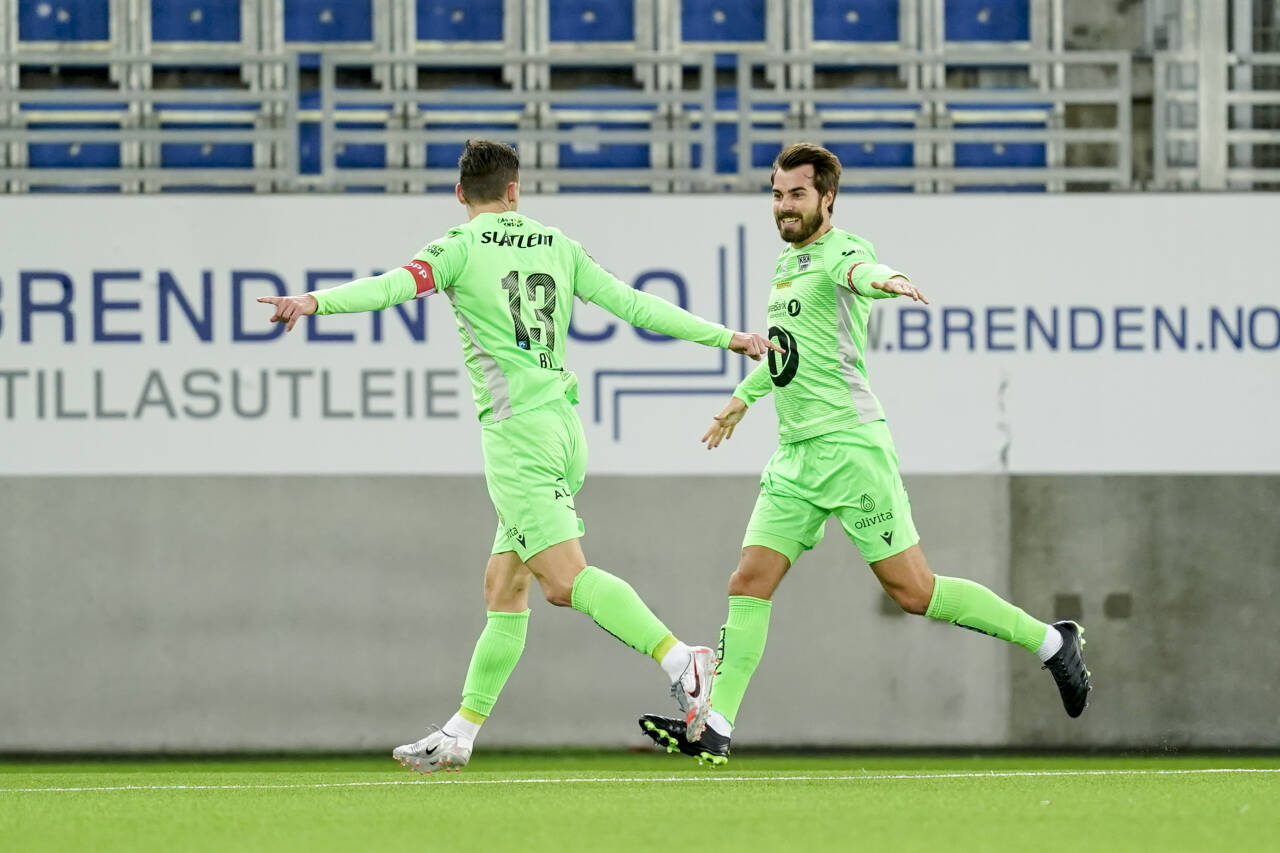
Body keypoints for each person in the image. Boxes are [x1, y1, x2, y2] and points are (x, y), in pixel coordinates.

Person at [259, 139, 778, 773]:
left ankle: (682, 661)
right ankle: (460, 733)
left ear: (460, 194)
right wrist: (729, 338)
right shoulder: (556, 243)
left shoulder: (456, 247)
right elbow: (636, 305)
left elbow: (394, 287)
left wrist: (315, 301)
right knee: (504, 586)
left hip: (517, 439)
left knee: (564, 580)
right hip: (563, 428)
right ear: (514, 190)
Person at [638, 142, 1092, 765]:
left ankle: (1051, 642)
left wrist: (889, 282)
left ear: (827, 197)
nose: (784, 206)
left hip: (851, 450)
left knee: (915, 592)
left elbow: (860, 271)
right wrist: (743, 398)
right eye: (776, 194)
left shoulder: (841, 252)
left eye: (797, 194)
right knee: (749, 581)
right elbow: (789, 353)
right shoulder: (785, 265)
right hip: (796, 457)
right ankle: (714, 728)